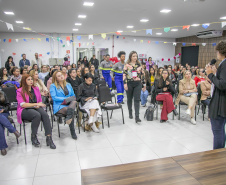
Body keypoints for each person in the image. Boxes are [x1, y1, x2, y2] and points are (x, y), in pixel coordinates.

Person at [16, 74, 56, 149]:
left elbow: (39, 100)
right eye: (28, 79)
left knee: (45, 115)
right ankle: (33, 136)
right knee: (37, 115)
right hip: (24, 109)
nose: (31, 81)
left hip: (35, 107)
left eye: (31, 79)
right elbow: (23, 104)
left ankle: (49, 138)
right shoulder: (19, 91)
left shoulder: (35, 88)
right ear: (24, 81)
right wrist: (36, 104)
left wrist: (39, 104)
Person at [205, 41, 226, 149]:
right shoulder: (222, 64)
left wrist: (210, 74)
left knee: (218, 131)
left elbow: (222, 84)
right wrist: (215, 74)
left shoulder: (224, 64)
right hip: (222, 102)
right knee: (220, 130)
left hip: (220, 104)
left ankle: (217, 156)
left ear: (221, 51)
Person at [50, 71, 77, 139]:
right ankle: (72, 131)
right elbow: (54, 98)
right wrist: (65, 99)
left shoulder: (68, 84)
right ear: (56, 78)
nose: (61, 76)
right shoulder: (53, 86)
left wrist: (68, 99)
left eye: (61, 75)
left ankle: (68, 118)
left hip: (69, 103)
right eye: (59, 76)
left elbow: (73, 95)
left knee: (74, 102)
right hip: (59, 105)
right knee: (70, 111)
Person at [124, 51, 145, 123]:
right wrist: (125, 85)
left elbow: (142, 75)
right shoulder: (127, 65)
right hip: (129, 83)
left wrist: (144, 85)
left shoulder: (139, 65)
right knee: (129, 99)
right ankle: (130, 112)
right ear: (130, 57)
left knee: (137, 100)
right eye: (133, 56)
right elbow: (124, 75)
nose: (135, 57)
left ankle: (137, 117)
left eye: (136, 56)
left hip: (137, 83)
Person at [0, 91, 21, 156]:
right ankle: (14, 130)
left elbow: (8, 105)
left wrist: (3, 109)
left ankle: (2, 147)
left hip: (4, 113)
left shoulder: (2, 93)